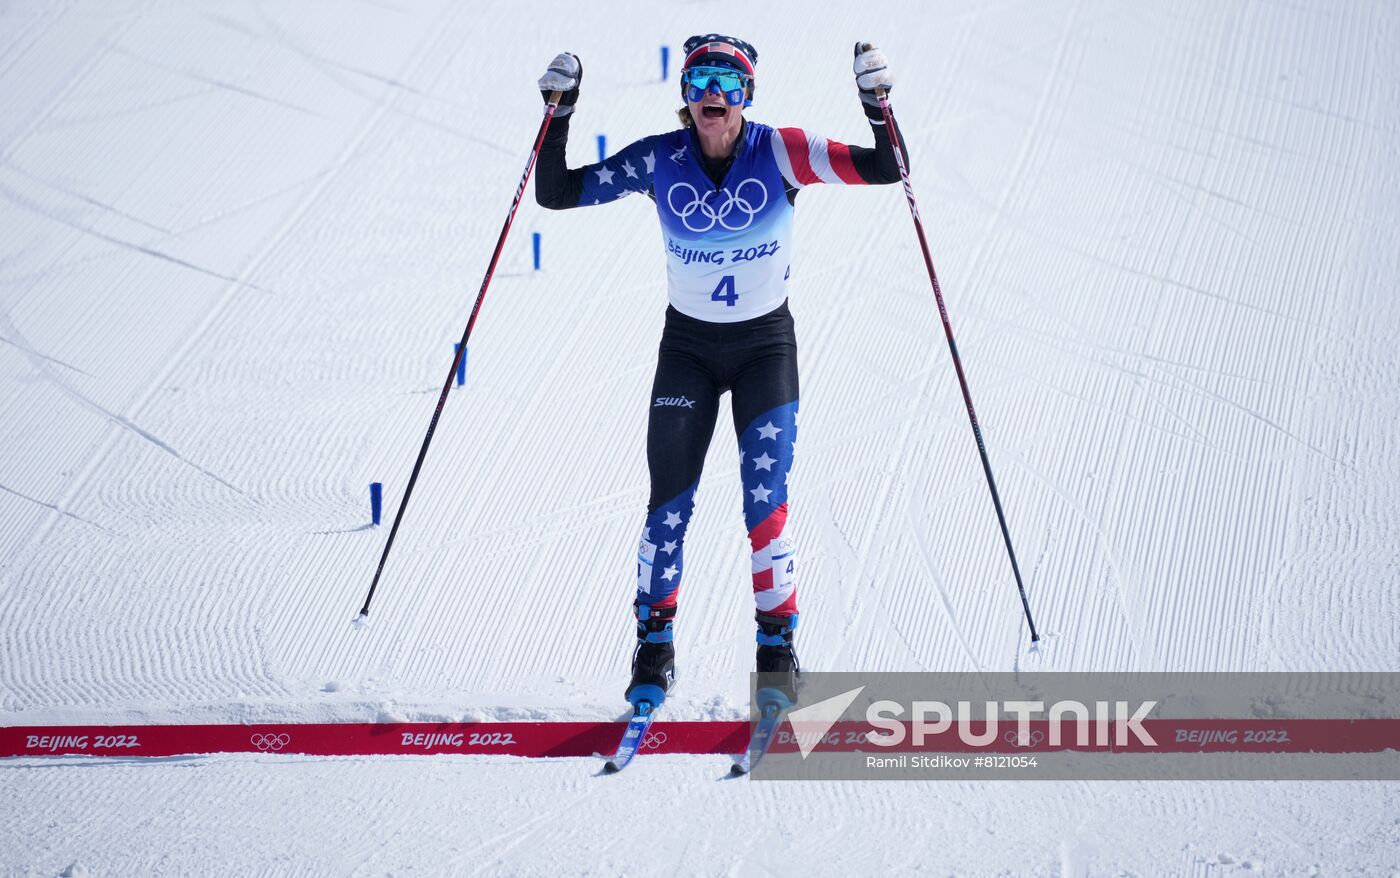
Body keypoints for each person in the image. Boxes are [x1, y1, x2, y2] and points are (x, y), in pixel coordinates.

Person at [535, 34, 905, 710]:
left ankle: (776, 652)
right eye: (700, 80)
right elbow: (556, 194)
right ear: (684, 93)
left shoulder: (782, 151)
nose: (714, 95)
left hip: (765, 349)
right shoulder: (659, 159)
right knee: (667, 508)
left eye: (729, 84)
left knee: (766, 509)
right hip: (689, 352)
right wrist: (559, 112)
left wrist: (874, 101)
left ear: (747, 96)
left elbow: (887, 168)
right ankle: (654, 650)